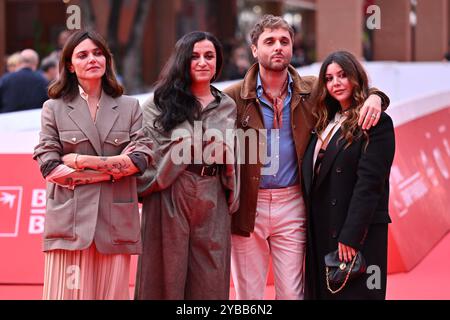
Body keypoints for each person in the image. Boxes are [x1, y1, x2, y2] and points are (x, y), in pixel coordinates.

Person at [224, 14, 389, 300]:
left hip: (293, 203)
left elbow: (349, 85)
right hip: (249, 204)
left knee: (293, 293)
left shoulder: (312, 90)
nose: (278, 47)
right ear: (254, 50)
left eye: (284, 41)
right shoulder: (233, 97)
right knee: (248, 296)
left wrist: (377, 97)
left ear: (292, 47)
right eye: (270, 41)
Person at [33, 30, 153, 300]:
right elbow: (50, 167)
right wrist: (113, 170)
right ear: (69, 65)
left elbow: (141, 159)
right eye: (83, 55)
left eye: (98, 53)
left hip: (115, 221)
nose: (92, 59)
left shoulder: (130, 107)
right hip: (70, 221)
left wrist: (81, 161)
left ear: (107, 60)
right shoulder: (53, 108)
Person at [135, 31, 239, 300]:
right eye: (194, 57)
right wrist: (187, 146)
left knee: (211, 277)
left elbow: (234, 153)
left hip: (212, 194)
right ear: (183, 60)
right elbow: (145, 152)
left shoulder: (226, 105)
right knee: (164, 276)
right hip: (169, 191)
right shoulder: (158, 103)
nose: (203, 62)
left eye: (209, 56)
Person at [302, 51, 395, 300]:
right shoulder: (324, 121)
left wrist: (351, 235)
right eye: (330, 78)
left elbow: (370, 184)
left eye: (343, 75)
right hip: (322, 231)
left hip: (354, 233)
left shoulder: (376, 122)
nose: (336, 83)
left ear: (356, 77)